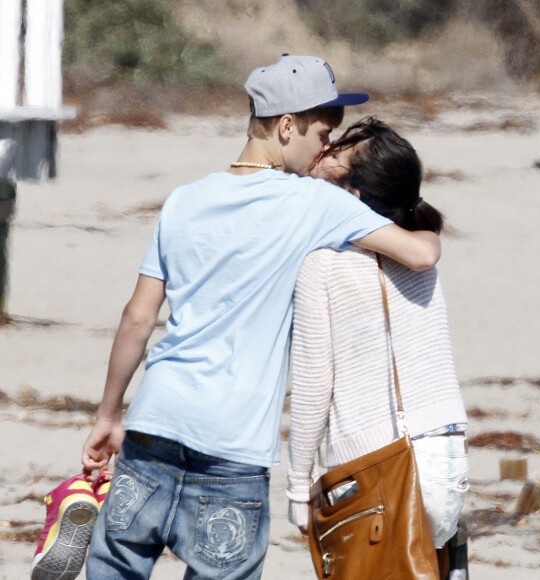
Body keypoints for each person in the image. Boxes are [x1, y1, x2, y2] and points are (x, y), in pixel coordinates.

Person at [74, 56, 441, 580]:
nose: (326, 149)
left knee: (114, 568)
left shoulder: (183, 200)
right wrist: (430, 227)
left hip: (155, 422)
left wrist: (109, 416)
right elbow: (420, 256)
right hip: (232, 447)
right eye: (322, 132)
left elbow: (137, 319)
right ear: (287, 127)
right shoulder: (314, 204)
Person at [287, 117, 469, 579]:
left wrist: (296, 485)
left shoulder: (324, 266)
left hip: (377, 464)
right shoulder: (422, 255)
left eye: (339, 155)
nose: (326, 154)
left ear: (354, 199)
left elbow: (313, 384)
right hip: (444, 459)